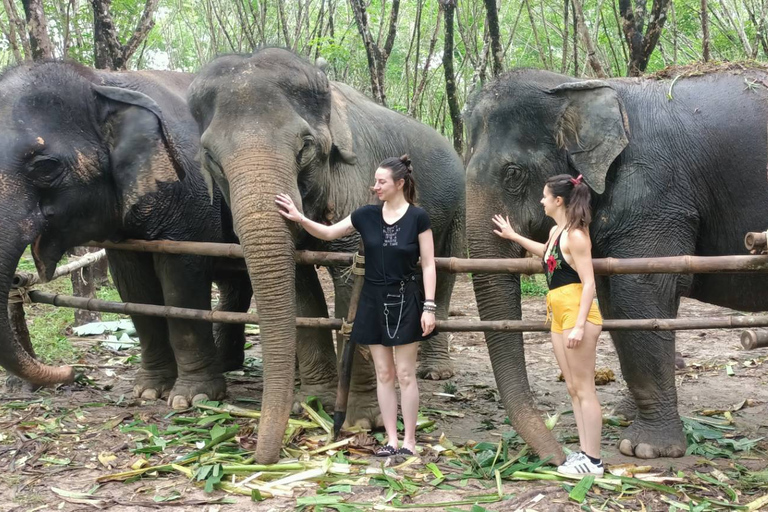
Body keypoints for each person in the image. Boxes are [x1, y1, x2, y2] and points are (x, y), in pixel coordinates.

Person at [275, 154, 437, 458]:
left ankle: (410, 442)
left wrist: (429, 306)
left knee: (405, 374)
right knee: (384, 373)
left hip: (406, 298)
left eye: (381, 181)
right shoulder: (365, 215)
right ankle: (391, 440)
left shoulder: (418, 217)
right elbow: (328, 232)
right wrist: (299, 218)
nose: (374, 186)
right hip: (373, 300)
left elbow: (428, 264)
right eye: (375, 180)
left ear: (399, 184)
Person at [492, 174, 605, 476]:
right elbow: (547, 254)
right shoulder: (558, 231)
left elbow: (590, 282)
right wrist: (513, 236)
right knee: (572, 387)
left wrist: (580, 325)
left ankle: (593, 460)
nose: (540, 201)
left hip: (576, 313)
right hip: (557, 312)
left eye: (544, 196)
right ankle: (584, 453)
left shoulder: (577, 236)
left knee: (585, 389)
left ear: (558, 200)